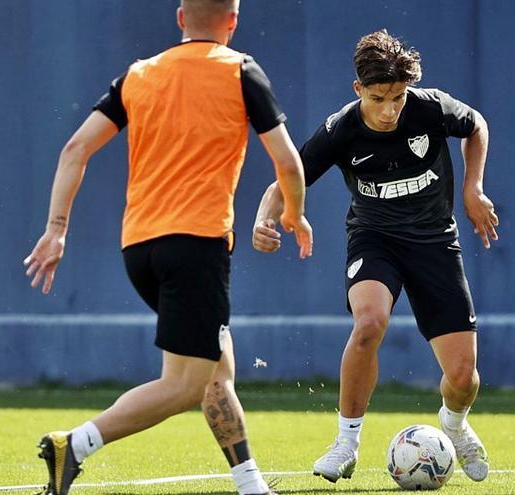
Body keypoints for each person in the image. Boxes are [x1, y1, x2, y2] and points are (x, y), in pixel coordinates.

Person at [23, 1, 313, 494]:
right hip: (197, 245)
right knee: (187, 385)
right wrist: (293, 213)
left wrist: (57, 228)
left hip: (139, 249)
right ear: (233, 21)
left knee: (217, 368)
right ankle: (73, 444)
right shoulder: (240, 69)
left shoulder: (138, 75)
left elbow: (75, 149)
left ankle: (251, 484)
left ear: (180, 18)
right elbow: (287, 162)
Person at [252, 29, 497, 484]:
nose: (389, 110)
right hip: (374, 238)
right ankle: (346, 443)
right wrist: (265, 218)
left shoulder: (429, 107)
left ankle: (455, 425)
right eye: (379, 97)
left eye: (398, 98)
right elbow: (289, 176)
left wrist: (472, 186)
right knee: (369, 323)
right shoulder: (341, 129)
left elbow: (476, 125)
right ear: (358, 89)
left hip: (434, 242)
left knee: (464, 377)